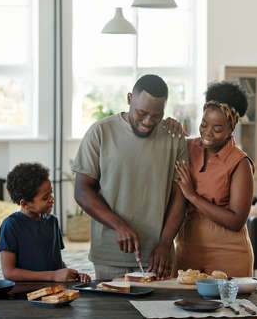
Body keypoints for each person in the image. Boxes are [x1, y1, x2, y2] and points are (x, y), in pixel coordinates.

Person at [72, 74, 188, 280]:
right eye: (141, 113)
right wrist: (119, 225)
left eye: (156, 115)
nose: (147, 122)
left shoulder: (174, 138)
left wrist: (165, 243)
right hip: (109, 256)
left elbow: (180, 196)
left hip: (157, 258)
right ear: (129, 99)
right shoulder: (100, 132)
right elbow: (82, 191)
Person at [174, 81, 254, 277]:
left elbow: (236, 220)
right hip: (186, 251)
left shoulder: (239, 163)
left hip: (229, 255)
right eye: (203, 124)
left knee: (230, 308)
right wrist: (168, 125)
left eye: (217, 129)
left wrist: (192, 196)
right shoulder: (188, 148)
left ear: (230, 129)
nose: (207, 133)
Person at [0, 162, 90, 282]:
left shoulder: (52, 221)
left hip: (53, 292)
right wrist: (53, 276)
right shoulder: (11, 225)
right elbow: (9, 273)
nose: (52, 199)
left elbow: (55, 262)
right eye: (45, 197)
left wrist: (71, 275)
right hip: (25, 294)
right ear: (25, 204)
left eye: (51, 193)